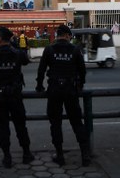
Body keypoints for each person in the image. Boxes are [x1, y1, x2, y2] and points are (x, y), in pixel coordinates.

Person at [35, 24, 91, 167]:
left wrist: (39, 86)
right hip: (70, 90)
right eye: (70, 36)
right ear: (66, 35)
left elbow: (41, 70)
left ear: (57, 35)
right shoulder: (75, 50)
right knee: (77, 122)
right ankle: (85, 155)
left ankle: (59, 155)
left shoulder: (49, 49)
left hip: (54, 90)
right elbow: (82, 70)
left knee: (55, 123)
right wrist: (80, 85)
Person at [0, 27, 34, 168]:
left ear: (1, 39)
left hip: (0, 97)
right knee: (20, 126)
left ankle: (7, 157)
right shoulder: (17, 54)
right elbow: (26, 60)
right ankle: (26, 154)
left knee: (3, 128)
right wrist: (15, 45)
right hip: (15, 96)